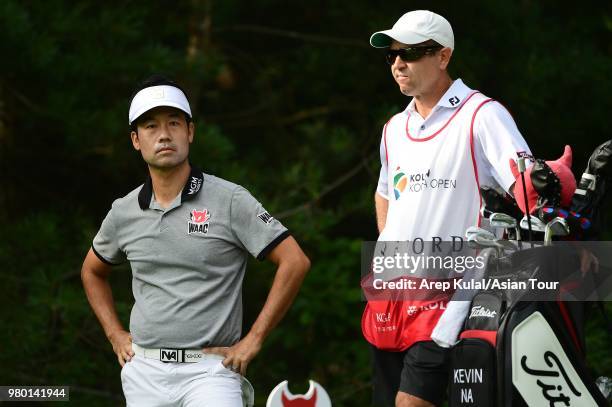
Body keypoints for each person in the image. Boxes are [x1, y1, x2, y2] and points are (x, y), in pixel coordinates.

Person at [81, 75, 310, 407]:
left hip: (211, 373)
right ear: (135, 140)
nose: (163, 135)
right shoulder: (124, 211)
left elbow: (294, 261)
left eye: (174, 123)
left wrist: (254, 340)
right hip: (143, 370)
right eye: (150, 126)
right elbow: (91, 271)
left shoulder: (229, 199)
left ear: (190, 132)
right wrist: (115, 335)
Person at [366, 10, 532, 407]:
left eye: (412, 52)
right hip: (392, 298)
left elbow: (527, 187)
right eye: (392, 55)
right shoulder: (394, 127)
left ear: (443, 56)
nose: (398, 63)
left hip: (449, 301)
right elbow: (385, 192)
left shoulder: (482, 114)